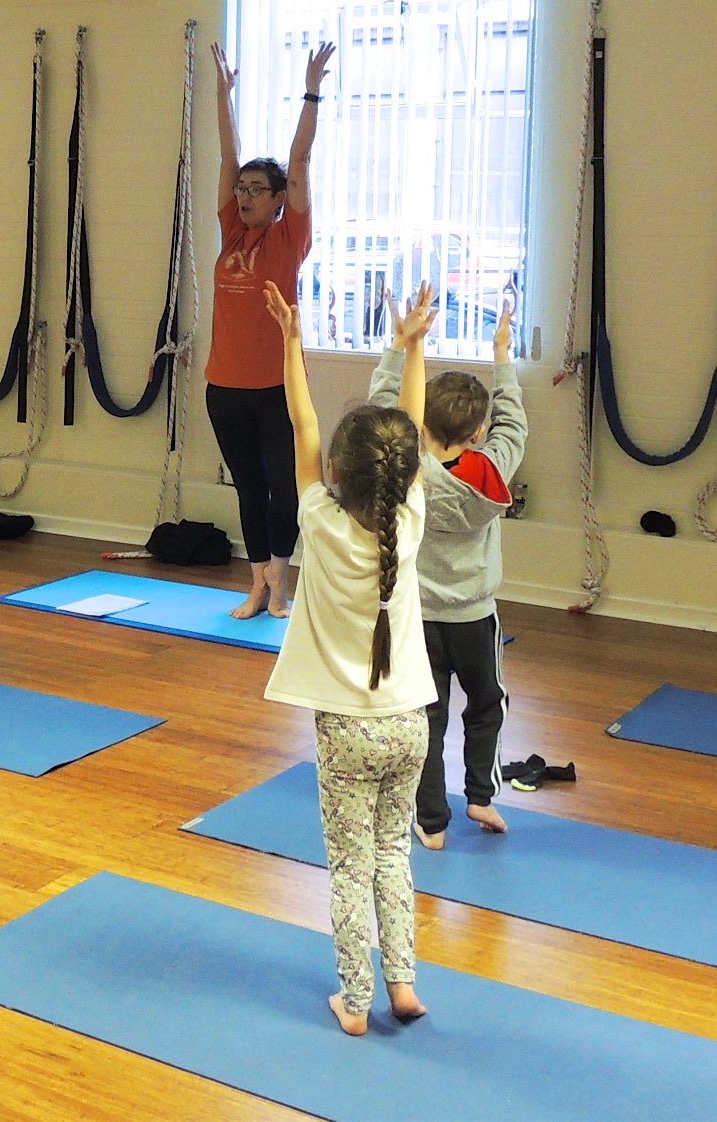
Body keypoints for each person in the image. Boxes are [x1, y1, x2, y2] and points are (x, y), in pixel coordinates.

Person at [262, 278, 439, 1037]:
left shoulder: (317, 518)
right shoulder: (413, 514)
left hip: (347, 731)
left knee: (350, 865)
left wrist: (292, 341)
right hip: (411, 724)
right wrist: (415, 346)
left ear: (336, 473)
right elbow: (416, 427)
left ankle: (355, 999)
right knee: (395, 854)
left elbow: (302, 422)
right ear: (406, 476)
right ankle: (403, 983)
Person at [368, 291, 527, 849]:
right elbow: (514, 426)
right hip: (475, 618)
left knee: (427, 718)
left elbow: (384, 403)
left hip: (420, 618)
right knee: (487, 704)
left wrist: (402, 346)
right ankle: (481, 796)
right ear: (476, 434)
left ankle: (431, 823)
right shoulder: (491, 467)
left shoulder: (406, 467)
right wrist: (501, 351)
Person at [206, 38, 335, 619]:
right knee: (248, 489)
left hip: (279, 387)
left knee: (286, 490)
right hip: (224, 386)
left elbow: (301, 159)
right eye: (243, 190)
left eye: (259, 190)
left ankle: (280, 584)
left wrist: (311, 91)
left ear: (282, 200)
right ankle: (257, 585)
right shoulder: (232, 231)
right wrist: (223, 95)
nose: (245, 195)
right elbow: (227, 157)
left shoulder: (289, 238)